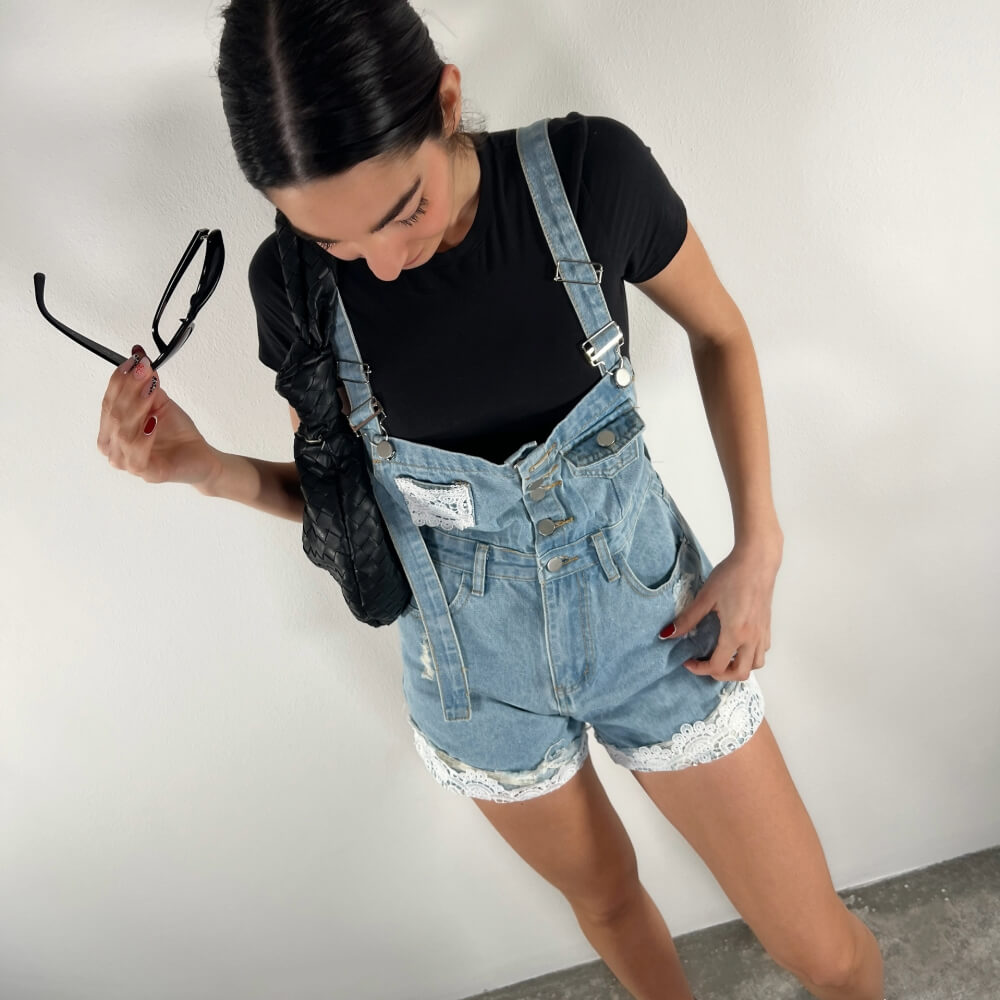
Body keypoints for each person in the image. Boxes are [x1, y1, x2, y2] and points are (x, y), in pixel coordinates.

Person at [97, 2, 886, 997]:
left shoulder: (590, 177)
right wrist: (205, 468)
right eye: (332, 240)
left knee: (820, 949)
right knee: (605, 902)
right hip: (473, 678)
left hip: (658, 633)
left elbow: (721, 333)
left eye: (402, 213)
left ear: (446, 102)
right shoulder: (289, 288)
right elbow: (362, 511)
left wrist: (758, 547)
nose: (383, 262)